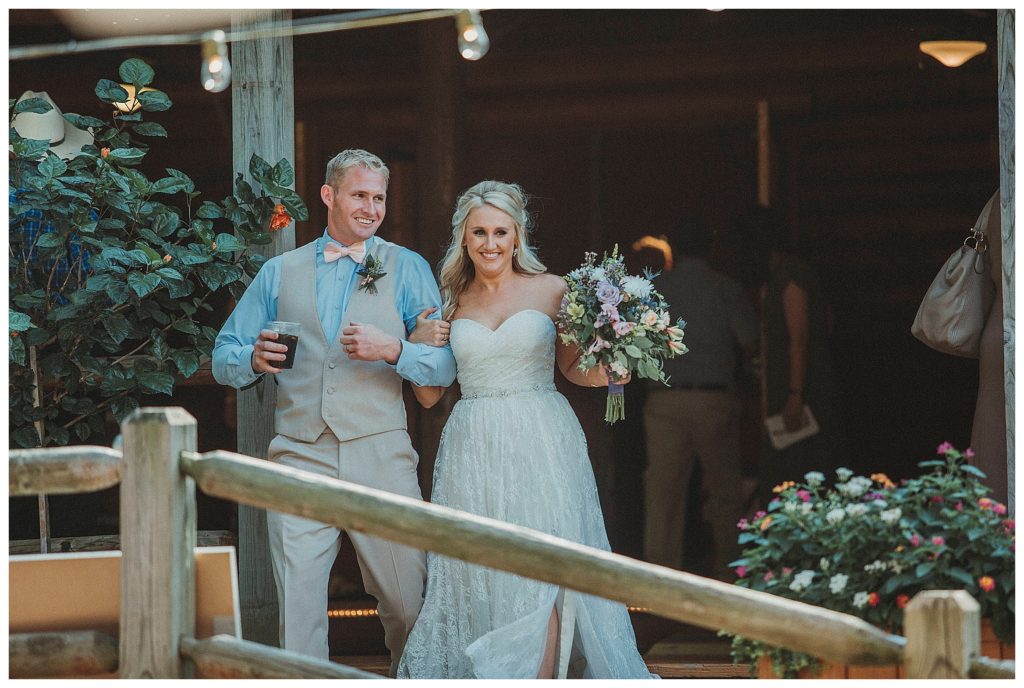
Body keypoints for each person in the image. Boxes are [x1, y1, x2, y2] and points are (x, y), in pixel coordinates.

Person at [395, 181, 654, 679]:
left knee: (543, 564)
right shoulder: (449, 299)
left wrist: (610, 371)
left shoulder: (552, 288)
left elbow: (574, 368)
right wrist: (412, 341)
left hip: (541, 435)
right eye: (479, 233)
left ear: (518, 237)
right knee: (483, 568)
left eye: (500, 232)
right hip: (473, 444)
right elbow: (429, 396)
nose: (490, 244)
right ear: (463, 239)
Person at [211, 149, 456, 674]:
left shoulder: (407, 267)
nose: (370, 208)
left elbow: (442, 366)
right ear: (329, 196)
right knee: (297, 610)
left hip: (382, 454)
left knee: (405, 600)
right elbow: (223, 354)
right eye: (359, 195)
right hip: (300, 454)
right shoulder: (280, 271)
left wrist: (394, 350)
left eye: (379, 198)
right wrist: (251, 357)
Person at [641, 217, 758, 581]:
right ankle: (730, 573)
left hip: (664, 399)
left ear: (672, 246)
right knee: (725, 491)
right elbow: (751, 342)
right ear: (711, 247)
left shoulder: (653, 289)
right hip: (713, 399)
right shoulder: (726, 289)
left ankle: (658, 581)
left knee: (663, 493)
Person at [735, 205, 846, 502]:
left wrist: (795, 395)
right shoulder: (782, 277)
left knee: (800, 471)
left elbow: (799, 337)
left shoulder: (791, 277)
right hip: (792, 391)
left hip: (801, 393)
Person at [969, 189, 1008, 503]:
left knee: (994, 445)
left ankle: (993, 538)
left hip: (999, 323)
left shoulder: (999, 197)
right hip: (1007, 319)